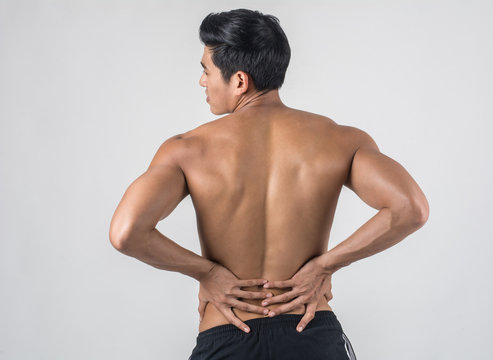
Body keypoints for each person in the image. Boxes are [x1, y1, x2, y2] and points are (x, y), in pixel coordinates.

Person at [109, 8, 429, 360]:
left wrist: (208, 273)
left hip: (228, 333)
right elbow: (409, 208)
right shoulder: (339, 140)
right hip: (311, 332)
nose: (202, 81)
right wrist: (326, 265)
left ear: (240, 81)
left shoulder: (187, 150)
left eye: (206, 70)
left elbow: (126, 232)